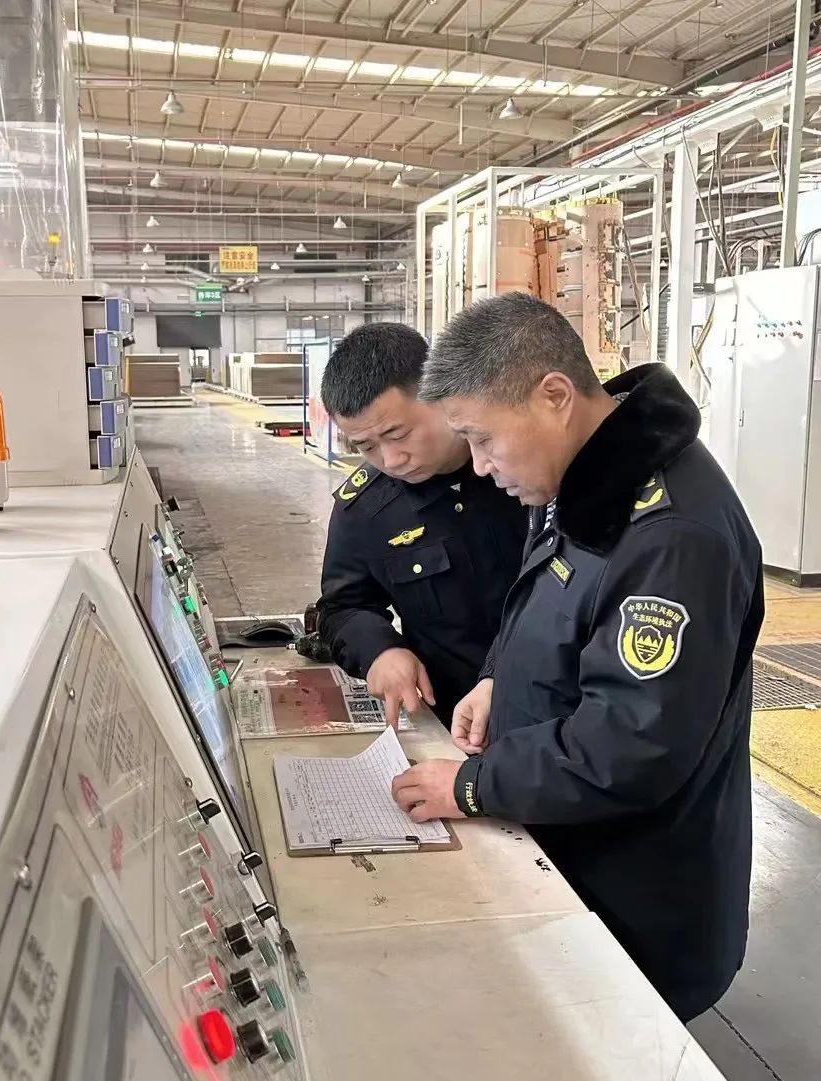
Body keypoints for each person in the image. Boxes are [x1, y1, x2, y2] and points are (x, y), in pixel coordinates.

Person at [391, 292, 763, 1022]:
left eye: (483, 438)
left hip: (635, 900)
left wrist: (473, 785)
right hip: (566, 850)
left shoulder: (672, 537)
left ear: (554, 396)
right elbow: (551, 600)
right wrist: (498, 679)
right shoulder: (584, 476)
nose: (479, 465)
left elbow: (631, 746)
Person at [315, 322, 527, 729]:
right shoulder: (365, 509)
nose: (391, 460)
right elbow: (343, 607)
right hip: (455, 725)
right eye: (367, 447)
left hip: (560, 717)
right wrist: (380, 650)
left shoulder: (526, 471)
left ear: (438, 393)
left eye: (398, 434)